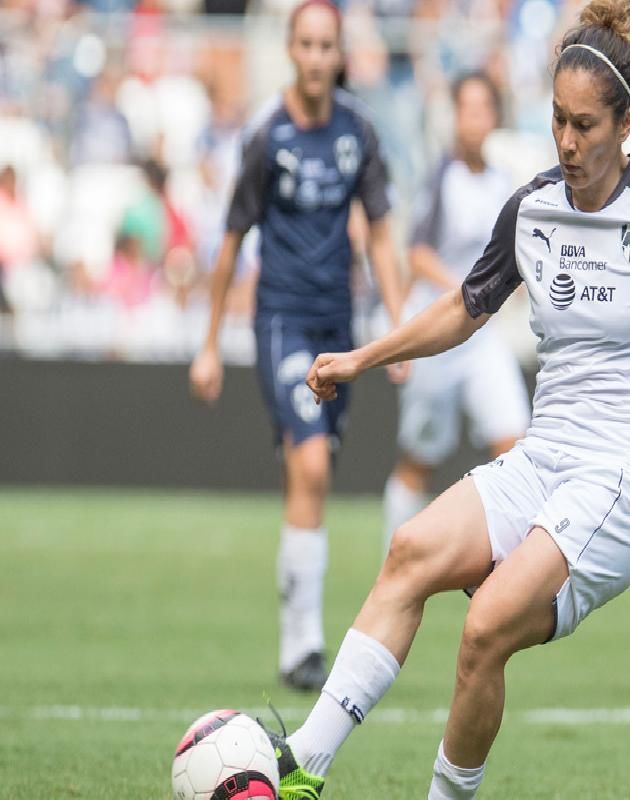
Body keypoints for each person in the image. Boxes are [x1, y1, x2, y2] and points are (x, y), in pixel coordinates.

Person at [267, 2, 630, 797]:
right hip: (544, 455)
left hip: (620, 479)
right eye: (557, 120)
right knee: (409, 554)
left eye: (586, 126)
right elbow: (465, 307)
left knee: (485, 626)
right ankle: (302, 770)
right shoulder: (533, 205)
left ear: (627, 123)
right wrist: (363, 356)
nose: (567, 142)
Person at [188, 0, 405, 692]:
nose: (316, 57)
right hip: (282, 321)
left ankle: (298, 635)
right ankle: (302, 647)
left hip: (338, 326)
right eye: (305, 44)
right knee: (309, 465)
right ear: (290, 50)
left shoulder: (358, 131)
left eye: (326, 45)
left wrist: (398, 329)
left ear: (339, 53)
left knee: (311, 470)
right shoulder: (266, 134)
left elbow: (379, 233)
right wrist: (209, 344)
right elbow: (229, 243)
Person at [382, 71, 531, 547]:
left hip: (482, 336)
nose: (474, 120)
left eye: (483, 109)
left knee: (513, 441)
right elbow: (416, 254)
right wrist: (466, 291)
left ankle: (503, 560)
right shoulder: (440, 177)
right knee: (419, 459)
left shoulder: (503, 183)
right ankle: (396, 551)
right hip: (440, 336)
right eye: (466, 109)